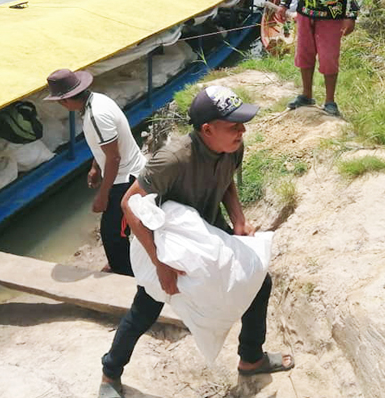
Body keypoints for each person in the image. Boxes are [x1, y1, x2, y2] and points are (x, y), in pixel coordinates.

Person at [99, 86, 293, 397]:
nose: (242, 131)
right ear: (207, 130)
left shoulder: (232, 146)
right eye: (234, 125)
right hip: (169, 241)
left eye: (242, 124)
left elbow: (226, 180)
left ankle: (251, 358)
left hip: (209, 228)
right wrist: (160, 264)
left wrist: (238, 219)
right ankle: (110, 374)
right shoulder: (173, 159)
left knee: (260, 281)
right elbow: (128, 204)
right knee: (146, 307)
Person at [45, 68, 147, 276]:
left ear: (66, 101)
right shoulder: (97, 100)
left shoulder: (96, 116)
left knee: (113, 232)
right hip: (126, 171)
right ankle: (123, 263)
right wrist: (95, 167)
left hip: (126, 178)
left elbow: (114, 157)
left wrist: (103, 195)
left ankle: (124, 273)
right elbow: (106, 147)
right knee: (117, 229)